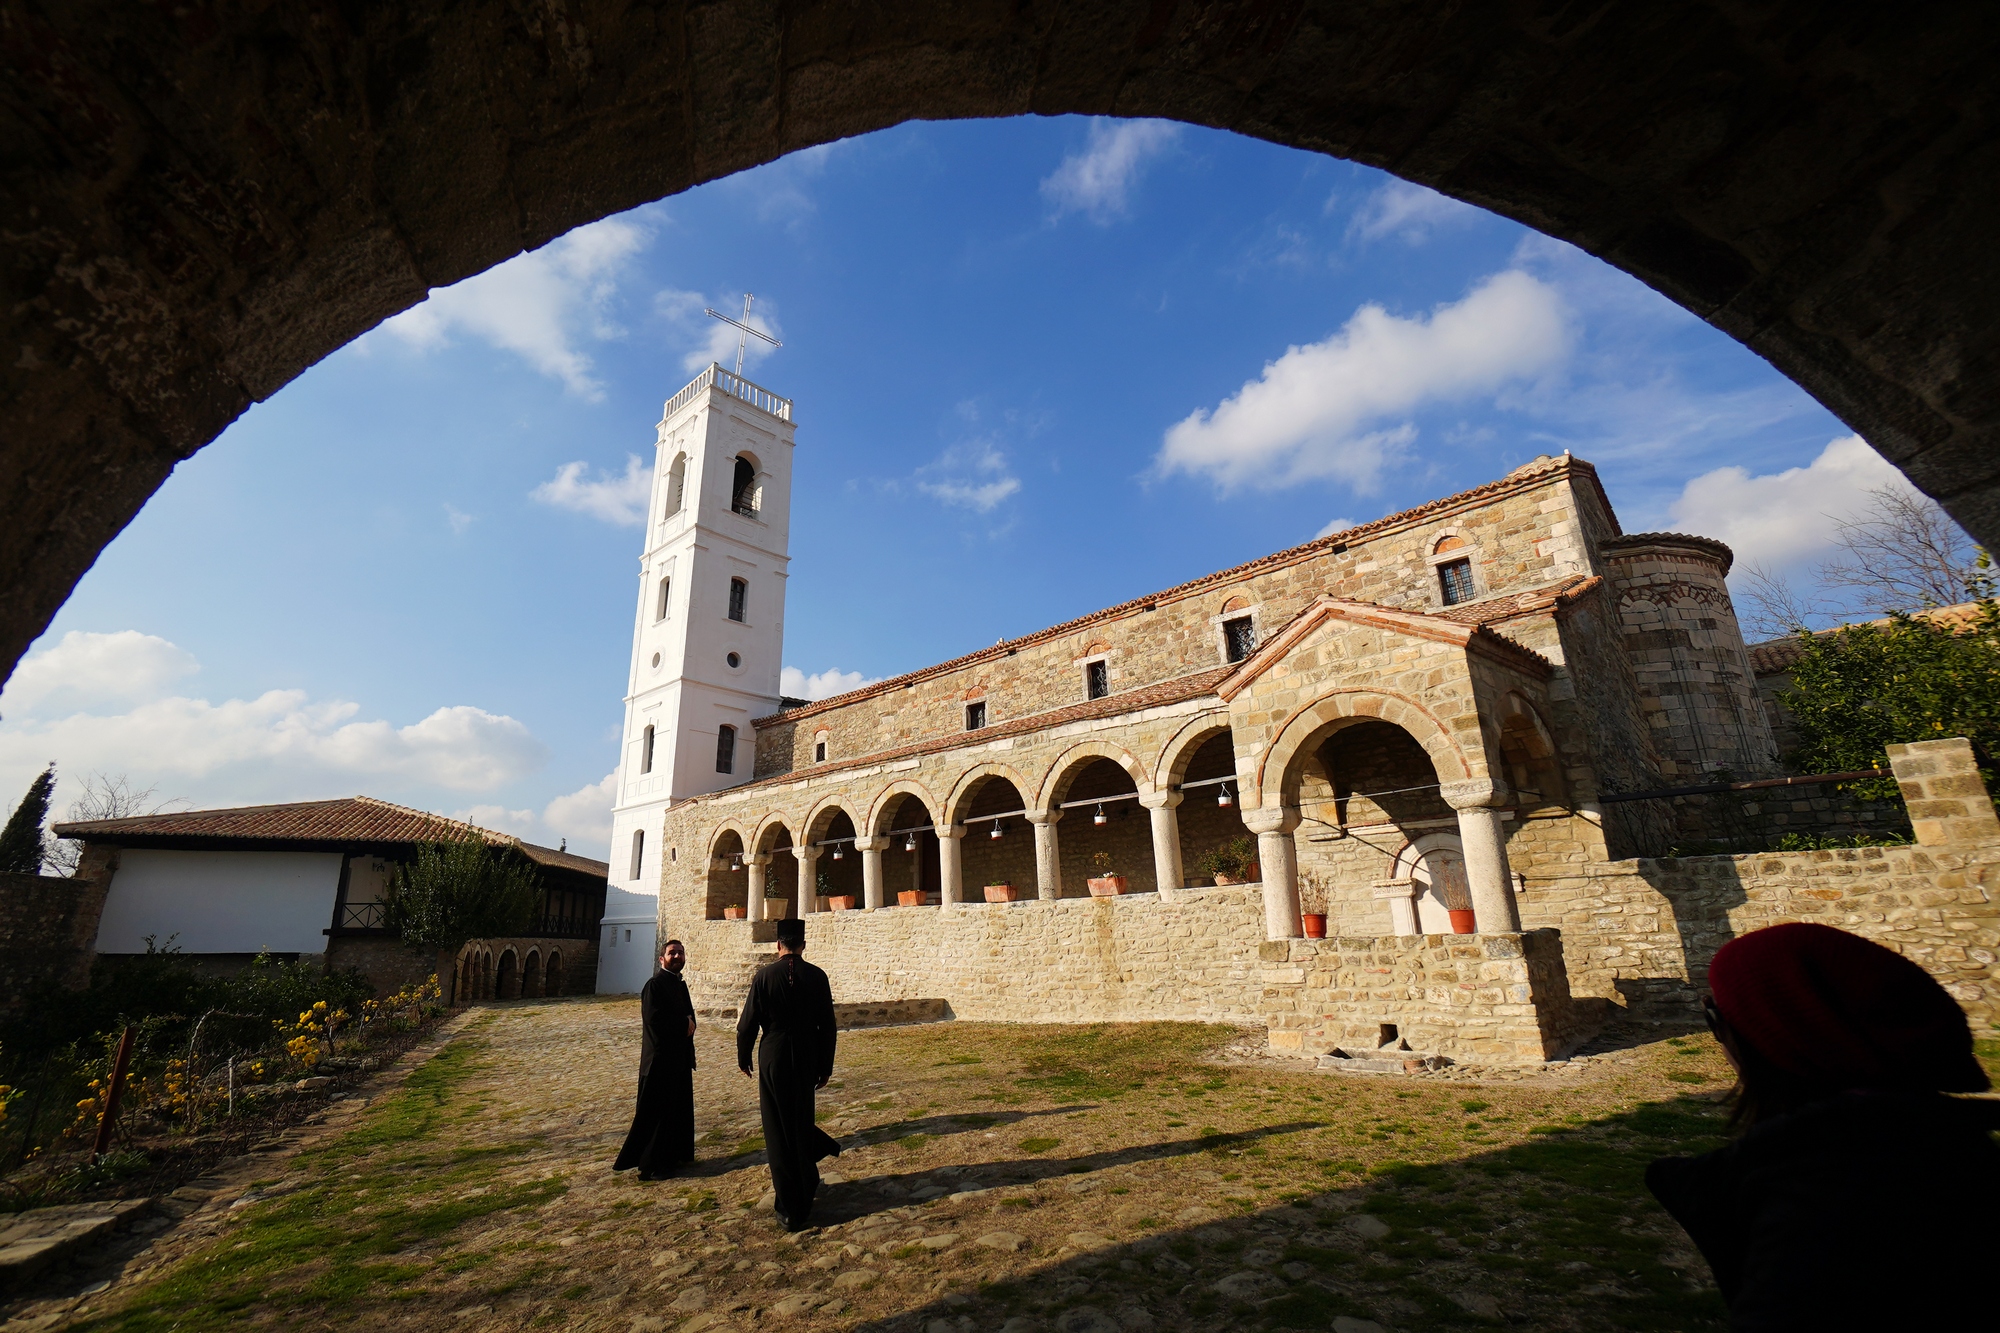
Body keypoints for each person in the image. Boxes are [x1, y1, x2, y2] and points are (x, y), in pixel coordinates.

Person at [1646, 922, 2000, 1329]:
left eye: (1715, 1017)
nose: (1719, 1036)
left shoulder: (1828, 1204)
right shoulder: (1947, 1149)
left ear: (1776, 1036)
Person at [736, 918, 841, 1230]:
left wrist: (744, 1057)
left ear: (778, 945)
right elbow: (828, 1026)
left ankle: (788, 1203)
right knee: (800, 1119)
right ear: (803, 945)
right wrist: (825, 1065)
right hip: (806, 1054)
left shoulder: (764, 976)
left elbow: (747, 1023)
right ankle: (806, 1182)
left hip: (773, 1055)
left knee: (777, 1127)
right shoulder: (817, 976)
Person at [613, 938, 697, 1180]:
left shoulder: (680, 984)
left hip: (678, 1060)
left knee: (675, 1113)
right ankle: (651, 1164)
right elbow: (653, 1019)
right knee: (656, 1115)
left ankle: (672, 1157)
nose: (677, 957)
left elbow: (689, 1015)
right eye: (672, 953)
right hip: (659, 1061)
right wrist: (684, 1024)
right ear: (662, 958)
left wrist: (689, 1025)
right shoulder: (655, 985)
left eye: (680, 953)